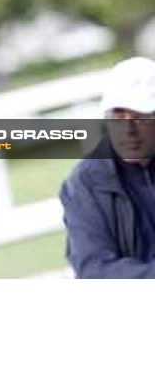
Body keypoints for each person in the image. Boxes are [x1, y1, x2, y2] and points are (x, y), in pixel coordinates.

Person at [60, 57, 155, 278]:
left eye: (139, 116)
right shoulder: (85, 184)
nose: (128, 128)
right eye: (117, 115)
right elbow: (94, 271)